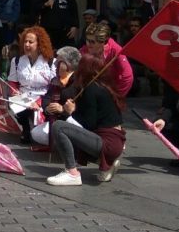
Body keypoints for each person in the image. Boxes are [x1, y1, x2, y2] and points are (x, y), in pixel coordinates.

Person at [46, 54, 127, 186]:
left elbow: (88, 124)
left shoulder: (92, 89)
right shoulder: (104, 87)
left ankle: (72, 173)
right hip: (114, 142)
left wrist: (70, 112)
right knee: (68, 130)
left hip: (107, 143)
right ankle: (107, 163)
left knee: (59, 127)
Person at [7, 25, 55, 144]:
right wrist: (14, 92)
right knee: (17, 105)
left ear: (39, 44)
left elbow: (54, 87)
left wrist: (39, 102)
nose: (27, 45)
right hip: (23, 96)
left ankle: (38, 127)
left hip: (43, 97)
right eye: (25, 41)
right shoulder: (16, 60)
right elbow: (12, 82)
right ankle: (26, 128)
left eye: (30, 42)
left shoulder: (51, 62)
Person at [32, 46, 82, 147]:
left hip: (73, 121)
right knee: (35, 133)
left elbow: (81, 108)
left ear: (68, 64)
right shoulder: (55, 80)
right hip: (57, 121)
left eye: (59, 62)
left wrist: (63, 110)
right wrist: (48, 108)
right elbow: (46, 97)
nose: (55, 64)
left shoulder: (79, 82)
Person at [80, 22, 134, 97]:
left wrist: (118, 95)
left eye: (92, 42)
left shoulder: (116, 50)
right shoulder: (83, 51)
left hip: (111, 91)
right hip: (90, 91)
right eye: (87, 40)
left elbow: (127, 76)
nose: (88, 44)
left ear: (103, 42)